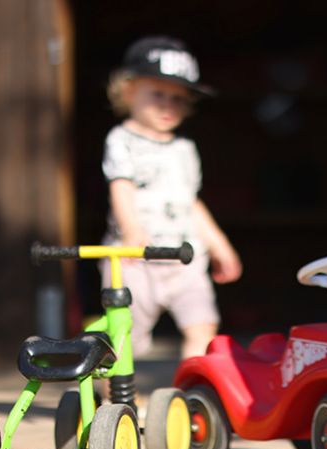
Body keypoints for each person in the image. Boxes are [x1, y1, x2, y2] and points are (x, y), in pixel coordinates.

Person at [100, 35, 242, 360]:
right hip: (136, 258)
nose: (169, 105)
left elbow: (189, 201)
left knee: (203, 326)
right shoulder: (122, 139)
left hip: (184, 257)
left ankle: (189, 394)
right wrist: (132, 231)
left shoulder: (184, 149)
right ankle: (115, 401)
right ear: (128, 91)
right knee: (125, 333)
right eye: (158, 94)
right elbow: (120, 186)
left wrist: (219, 243)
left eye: (178, 98)